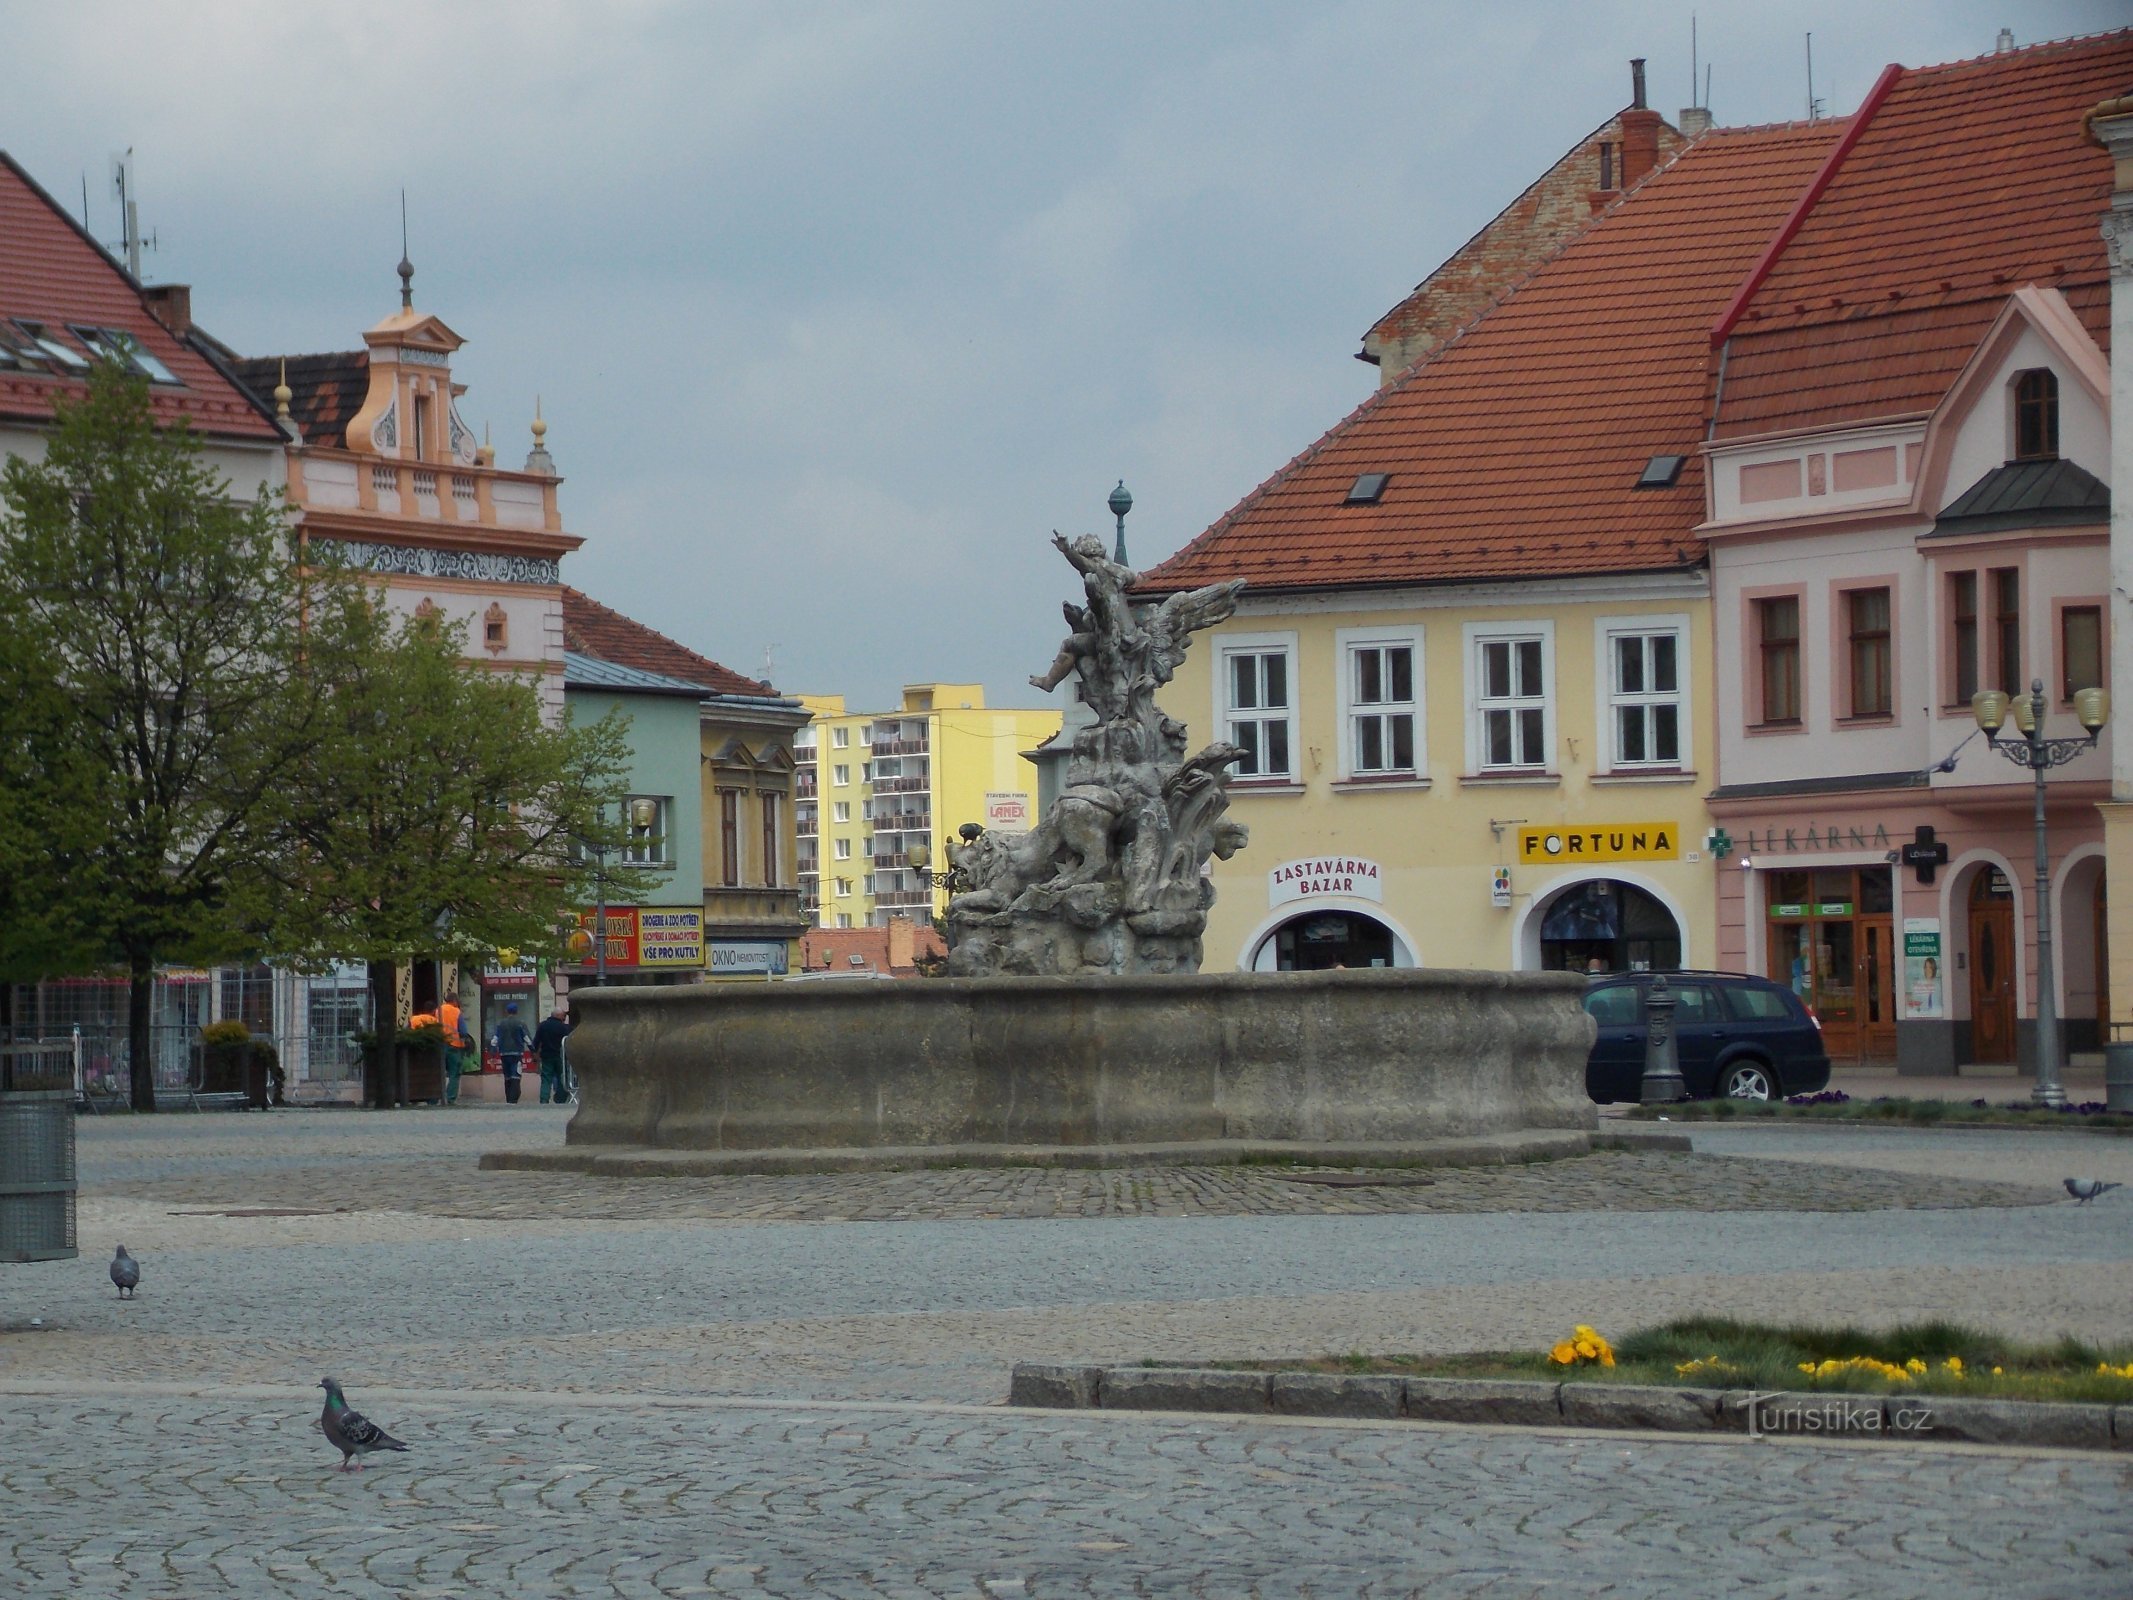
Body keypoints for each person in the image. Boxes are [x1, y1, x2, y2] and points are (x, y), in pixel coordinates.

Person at [533, 1001, 577, 1105]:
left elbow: (536, 1041)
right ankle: (560, 1099)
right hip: (561, 1057)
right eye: (563, 1016)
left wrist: (534, 1053)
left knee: (546, 1079)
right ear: (559, 1016)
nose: (564, 1018)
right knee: (562, 1078)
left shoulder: (543, 1026)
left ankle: (544, 1099)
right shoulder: (565, 1028)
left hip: (547, 1056)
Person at [492, 1002, 531, 1104]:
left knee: (507, 1076)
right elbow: (527, 1038)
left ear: (507, 1011)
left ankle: (508, 1098)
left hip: (504, 1053)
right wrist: (533, 1050)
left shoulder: (501, 1023)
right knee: (516, 1075)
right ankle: (514, 1098)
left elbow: (495, 1039)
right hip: (516, 1054)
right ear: (517, 1011)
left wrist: (492, 1052)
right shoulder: (520, 1023)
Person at [439, 995, 469, 1106]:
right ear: (454, 1001)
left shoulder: (438, 1010)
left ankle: (435, 1097)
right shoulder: (456, 1012)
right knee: (454, 1073)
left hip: (440, 1044)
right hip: (454, 1046)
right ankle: (450, 1098)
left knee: (439, 1071)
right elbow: (463, 1031)